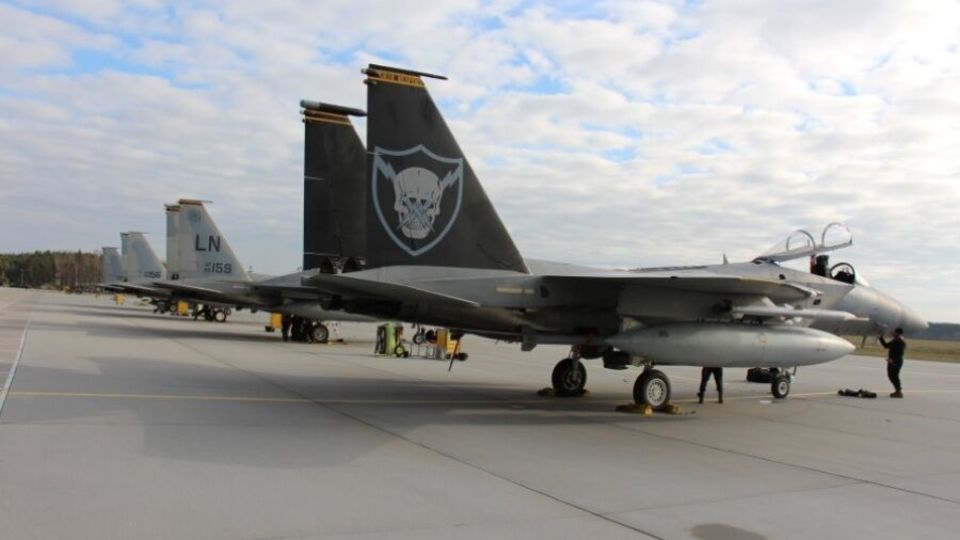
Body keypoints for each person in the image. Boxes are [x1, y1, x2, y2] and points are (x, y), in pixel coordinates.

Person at [879, 327, 906, 398]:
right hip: (892, 361)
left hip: (896, 361)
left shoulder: (900, 341)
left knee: (894, 376)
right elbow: (886, 346)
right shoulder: (895, 340)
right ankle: (898, 390)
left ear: (897, 333)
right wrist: (881, 338)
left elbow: (900, 352)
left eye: (894, 332)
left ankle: (898, 391)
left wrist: (893, 360)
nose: (892, 333)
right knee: (891, 375)